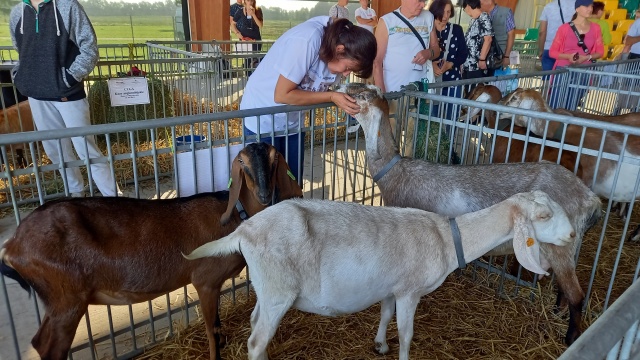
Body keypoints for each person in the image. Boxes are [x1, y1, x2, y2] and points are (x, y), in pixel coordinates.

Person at [240, 17, 376, 180]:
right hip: (262, 116)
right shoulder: (307, 40)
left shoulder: (336, 53)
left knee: (291, 182)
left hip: (293, 121)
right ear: (340, 50)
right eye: (347, 68)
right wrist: (332, 96)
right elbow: (282, 94)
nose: (345, 74)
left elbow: (318, 90)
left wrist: (342, 100)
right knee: (265, 190)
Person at [9, 0, 121, 197]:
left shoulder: (68, 7)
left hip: (68, 95)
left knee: (87, 148)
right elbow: (22, 51)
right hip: (37, 96)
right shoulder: (17, 13)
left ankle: (114, 199)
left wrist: (68, 78)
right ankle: (76, 195)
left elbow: (89, 48)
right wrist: (22, 76)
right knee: (56, 151)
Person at [373, 0, 441, 157]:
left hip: (417, 93)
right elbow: (377, 62)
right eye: (419, 1)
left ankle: (409, 177)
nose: (422, 5)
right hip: (393, 93)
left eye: (424, 1)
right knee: (390, 142)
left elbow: (436, 49)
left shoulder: (428, 17)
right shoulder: (387, 21)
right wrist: (383, 97)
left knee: (413, 142)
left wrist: (428, 53)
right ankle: (390, 176)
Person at [548, 0, 604, 109]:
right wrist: (568, 57)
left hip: (584, 70)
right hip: (564, 68)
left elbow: (600, 52)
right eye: (586, 6)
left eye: (591, 6)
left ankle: (567, 125)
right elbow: (552, 52)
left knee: (572, 105)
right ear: (577, 9)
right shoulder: (564, 28)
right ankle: (554, 125)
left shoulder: (596, 28)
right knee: (556, 103)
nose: (590, 9)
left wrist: (587, 57)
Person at [429, 0, 468, 121]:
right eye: (443, 12)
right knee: (432, 118)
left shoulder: (456, 30)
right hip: (431, 82)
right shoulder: (427, 29)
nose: (446, 16)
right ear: (435, 11)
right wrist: (431, 66)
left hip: (453, 81)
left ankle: (450, 139)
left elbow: (463, 53)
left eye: (448, 12)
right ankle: (434, 140)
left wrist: (450, 64)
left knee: (452, 118)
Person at [462, 0, 494, 88]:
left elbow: (488, 39)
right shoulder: (474, 20)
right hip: (469, 64)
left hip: (477, 64)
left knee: (475, 92)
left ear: (468, 6)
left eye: (464, 9)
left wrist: (482, 59)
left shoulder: (483, 17)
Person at [538, 0, 576, 71]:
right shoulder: (579, 6)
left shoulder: (548, 7)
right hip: (569, 50)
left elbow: (542, 32)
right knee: (564, 79)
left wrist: (541, 50)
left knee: (547, 77)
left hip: (549, 47)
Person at [481, 0, 515, 72]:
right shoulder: (481, 13)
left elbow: (511, 34)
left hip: (500, 56)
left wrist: (507, 56)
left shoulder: (506, 12)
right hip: (484, 56)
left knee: (497, 80)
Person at [231, 0, 263, 72]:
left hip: (255, 41)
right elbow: (232, 24)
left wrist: (253, 15)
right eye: (248, 0)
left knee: (254, 59)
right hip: (245, 40)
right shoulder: (240, 11)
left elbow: (260, 25)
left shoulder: (258, 10)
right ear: (245, 1)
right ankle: (247, 76)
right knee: (247, 60)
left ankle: (253, 76)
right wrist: (237, 33)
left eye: (252, 1)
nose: (250, 2)